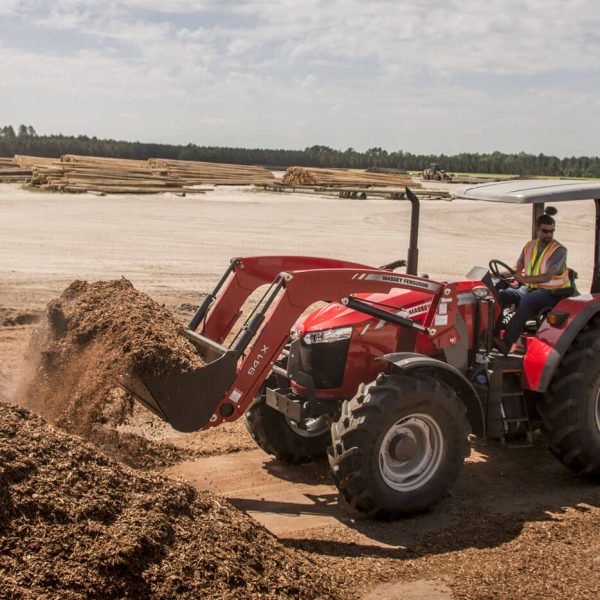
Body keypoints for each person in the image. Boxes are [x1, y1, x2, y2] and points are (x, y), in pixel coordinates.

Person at [495, 212, 571, 353]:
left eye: (551, 231)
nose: (549, 235)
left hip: (550, 293)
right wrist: (503, 274)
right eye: (545, 231)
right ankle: (493, 335)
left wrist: (524, 279)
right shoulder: (530, 246)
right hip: (528, 288)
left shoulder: (558, 250)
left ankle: (507, 342)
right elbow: (519, 265)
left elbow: (548, 276)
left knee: (528, 300)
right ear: (537, 230)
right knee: (500, 296)